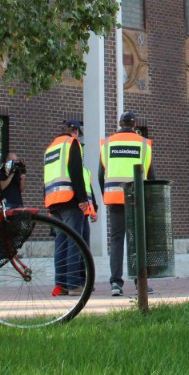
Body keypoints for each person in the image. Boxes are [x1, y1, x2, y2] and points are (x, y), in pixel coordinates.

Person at [98, 111, 154, 296]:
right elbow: (151, 175)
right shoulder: (143, 144)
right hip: (137, 199)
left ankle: (116, 283)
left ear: (119, 124)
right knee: (137, 240)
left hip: (114, 198)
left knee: (116, 240)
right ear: (134, 125)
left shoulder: (107, 143)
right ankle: (140, 283)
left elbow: (100, 174)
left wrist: (106, 195)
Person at [43, 120, 95, 296]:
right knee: (75, 241)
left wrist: (48, 204)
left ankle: (61, 285)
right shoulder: (71, 143)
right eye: (78, 133)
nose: (78, 136)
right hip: (70, 200)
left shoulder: (51, 148)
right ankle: (74, 284)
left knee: (61, 243)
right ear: (75, 131)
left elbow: (47, 177)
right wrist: (82, 199)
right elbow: (75, 171)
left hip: (54, 200)